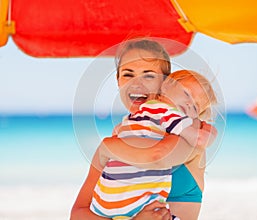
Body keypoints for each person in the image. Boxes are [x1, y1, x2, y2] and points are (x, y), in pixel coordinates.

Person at [71, 39, 217, 220]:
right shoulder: (119, 134)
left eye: (148, 75)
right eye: (127, 74)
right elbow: (78, 214)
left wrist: (106, 148)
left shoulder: (188, 132)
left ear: (166, 83)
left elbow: (157, 156)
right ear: (118, 81)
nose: (136, 84)